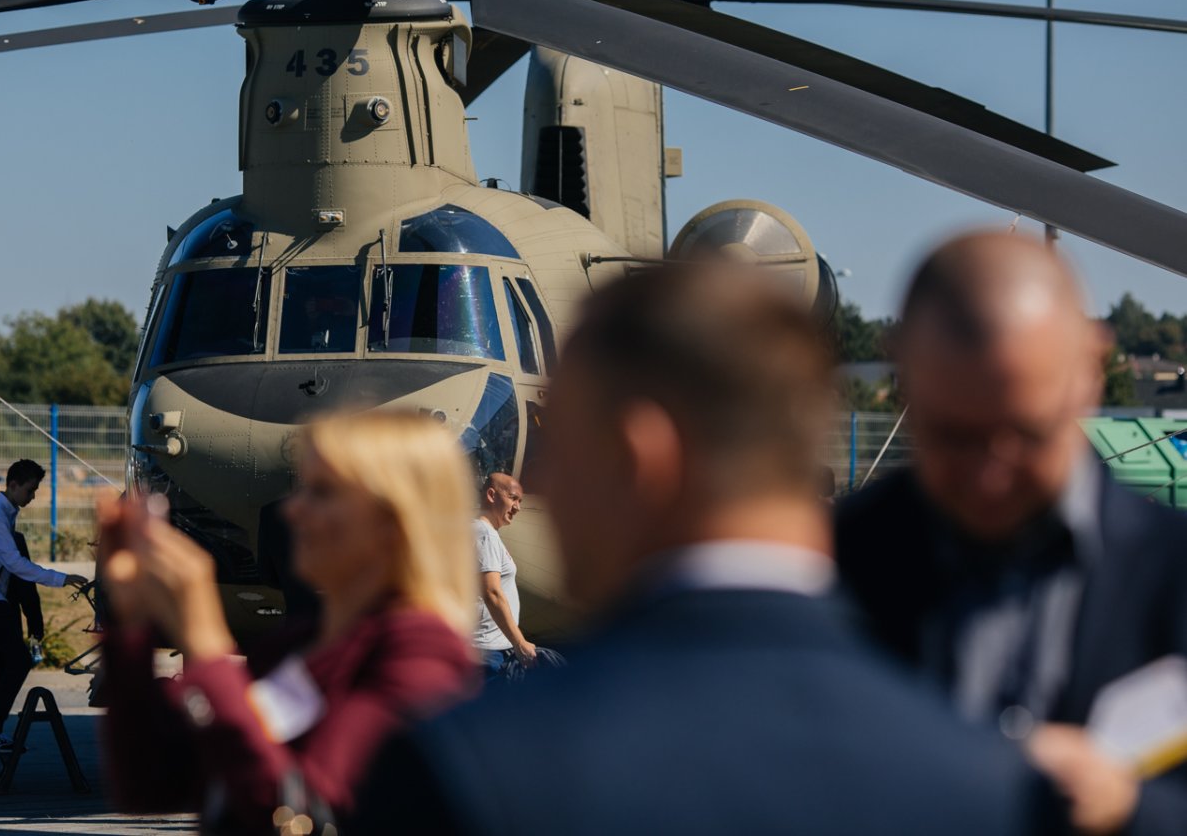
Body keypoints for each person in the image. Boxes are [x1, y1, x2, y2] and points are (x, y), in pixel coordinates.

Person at [354, 261, 1061, 835]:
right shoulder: (991, 784)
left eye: (562, 443)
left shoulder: (464, 770)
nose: (539, 479)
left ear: (639, 457)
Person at [836, 231, 1187, 836]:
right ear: (903, 378)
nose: (990, 477)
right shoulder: (823, 569)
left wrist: (1131, 810)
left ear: (1091, 368)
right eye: (956, 437)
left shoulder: (1175, 572)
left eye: (1027, 435)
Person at [101, 411, 477, 833]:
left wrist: (207, 651)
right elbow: (149, 785)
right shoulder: (293, 645)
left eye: (322, 492)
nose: (293, 510)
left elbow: (303, 815)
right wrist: (131, 627)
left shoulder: (422, 655)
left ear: (394, 522)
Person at [0, 460, 85, 758]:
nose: (33, 497)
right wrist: (61, 578)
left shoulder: (1, 513)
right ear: (13, 485)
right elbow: (15, 565)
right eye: (30, 489)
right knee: (17, 662)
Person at [473, 472, 536, 680]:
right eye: (513, 498)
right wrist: (520, 643)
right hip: (486, 653)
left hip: (491, 650)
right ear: (492, 495)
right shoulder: (484, 533)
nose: (517, 507)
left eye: (520, 501)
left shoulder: (486, 533)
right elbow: (492, 592)